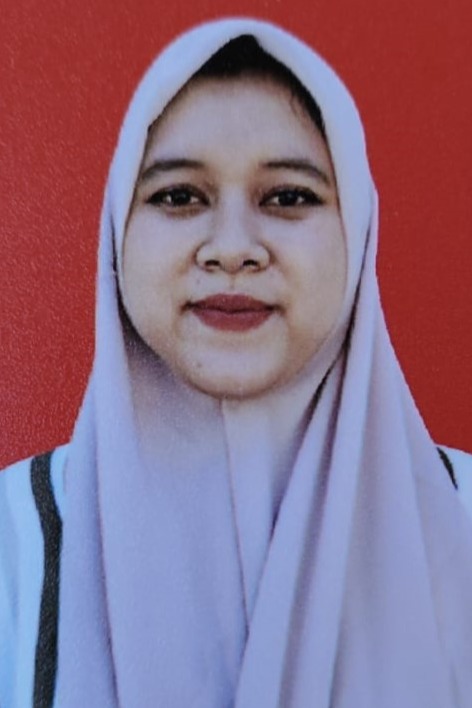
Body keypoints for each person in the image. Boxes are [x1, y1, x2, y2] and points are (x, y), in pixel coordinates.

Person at [1, 17, 472, 708]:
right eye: (178, 196)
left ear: (358, 233)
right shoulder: (15, 538)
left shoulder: (463, 519)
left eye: (288, 197)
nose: (231, 248)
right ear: (117, 236)